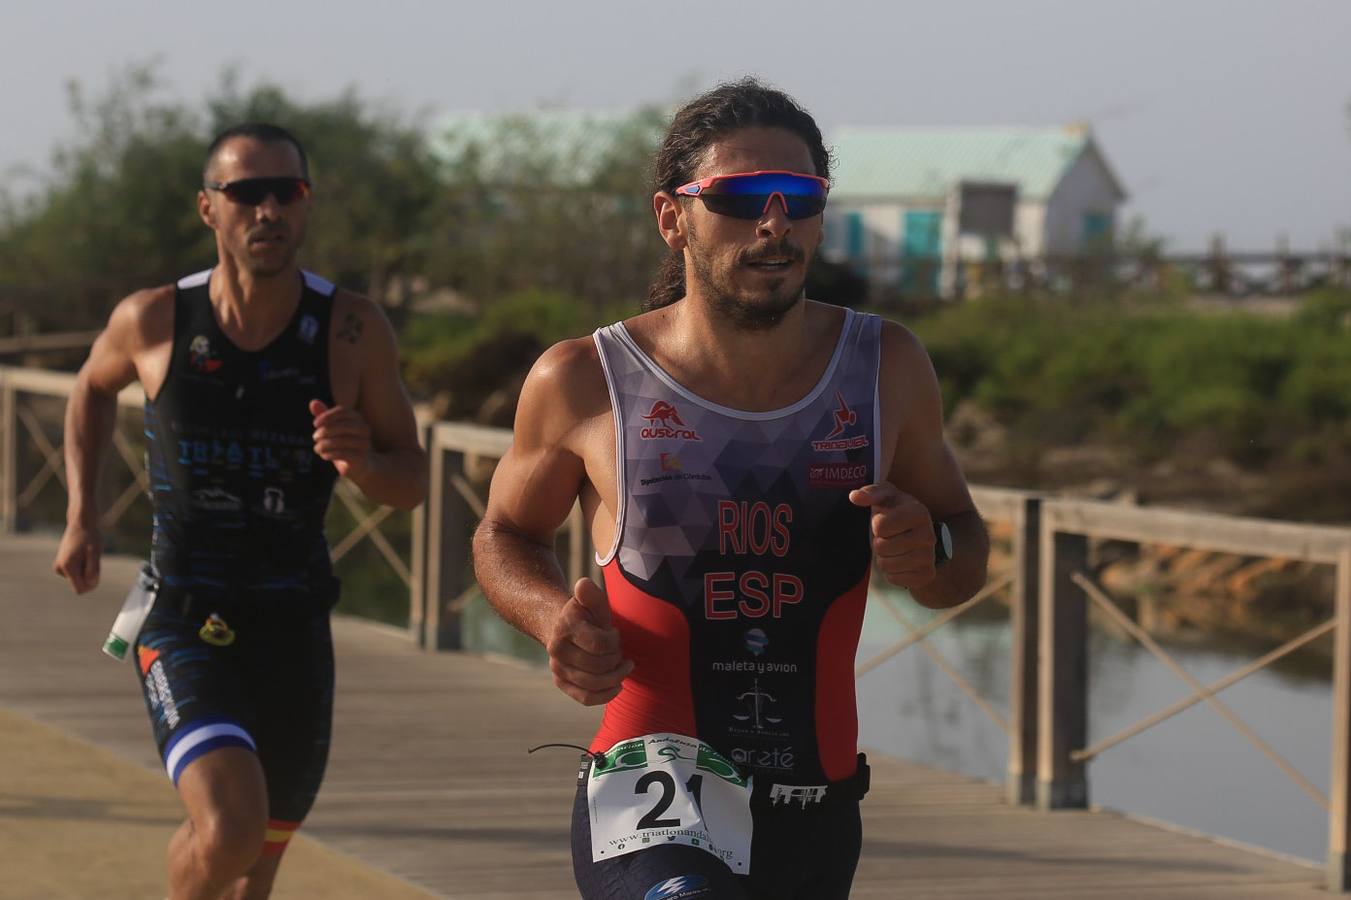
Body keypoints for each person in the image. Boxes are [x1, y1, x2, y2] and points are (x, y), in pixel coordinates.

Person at [473, 79, 990, 899]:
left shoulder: (886, 366)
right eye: (742, 197)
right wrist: (548, 618)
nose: (774, 223)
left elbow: (964, 548)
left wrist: (929, 559)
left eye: (801, 198)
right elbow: (502, 533)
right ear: (670, 216)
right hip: (654, 781)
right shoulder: (585, 378)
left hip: (814, 802)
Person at [53, 122, 427, 900]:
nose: (267, 211)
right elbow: (90, 388)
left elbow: (413, 480)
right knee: (227, 834)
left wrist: (362, 463)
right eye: (245, 193)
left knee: (255, 874)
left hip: (293, 623)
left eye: (285, 192)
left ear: (305, 204)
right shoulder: (156, 320)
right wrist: (82, 513)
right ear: (207, 209)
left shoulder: (352, 331)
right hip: (182, 613)